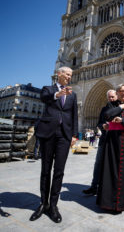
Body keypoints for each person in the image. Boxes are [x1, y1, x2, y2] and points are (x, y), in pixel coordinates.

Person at [29, 66, 78, 223]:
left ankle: (53, 206)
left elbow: (74, 115)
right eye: (67, 74)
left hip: (64, 135)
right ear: (59, 74)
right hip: (48, 133)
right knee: (45, 169)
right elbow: (44, 98)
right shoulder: (48, 89)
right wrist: (58, 94)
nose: (69, 77)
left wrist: (74, 135)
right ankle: (43, 203)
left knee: (59, 171)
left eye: (71, 75)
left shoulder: (73, 95)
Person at [97, 84, 124, 213]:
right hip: (112, 142)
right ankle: (111, 204)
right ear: (117, 92)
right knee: (111, 171)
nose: (123, 93)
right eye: (121, 91)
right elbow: (107, 115)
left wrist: (123, 120)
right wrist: (120, 107)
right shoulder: (111, 105)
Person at [82, 90, 117, 196]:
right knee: (98, 163)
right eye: (109, 97)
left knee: (113, 165)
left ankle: (112, 188)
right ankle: (94, 186)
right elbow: (99, 123)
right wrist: (103, 126)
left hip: (116, 141)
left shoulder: (121, 107)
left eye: (113, 97)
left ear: (116, 96)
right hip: (104, 139)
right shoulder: (104, 109)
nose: (111, 99)